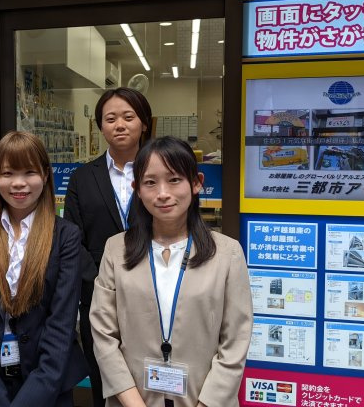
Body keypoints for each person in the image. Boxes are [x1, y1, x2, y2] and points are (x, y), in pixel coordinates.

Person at [90, 136, 253, 407]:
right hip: (133, 400)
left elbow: (235, 341)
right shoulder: (116, 249)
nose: (162, 193)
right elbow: (103, 334)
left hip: (203, 399)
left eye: (174, 179)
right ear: (137, 189)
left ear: (197, 183)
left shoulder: (228, 253)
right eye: (150, 182)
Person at [0, 131, 87, 406]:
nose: (18, 183)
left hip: (48, 388)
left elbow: (61, 327)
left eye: (29, 172)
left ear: (46, 175)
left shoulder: (66, 236)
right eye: (8, 173)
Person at [64, 87, 152, 407]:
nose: (120, 125)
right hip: (98, 299)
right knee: (104, 381)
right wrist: (103, 281)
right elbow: (73, 240)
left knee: (152, 380)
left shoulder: (160, 174)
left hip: (154, 294)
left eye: (129, 117)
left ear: (144, 123)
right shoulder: (82, 178)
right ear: (100, 126)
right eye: (110, 119)